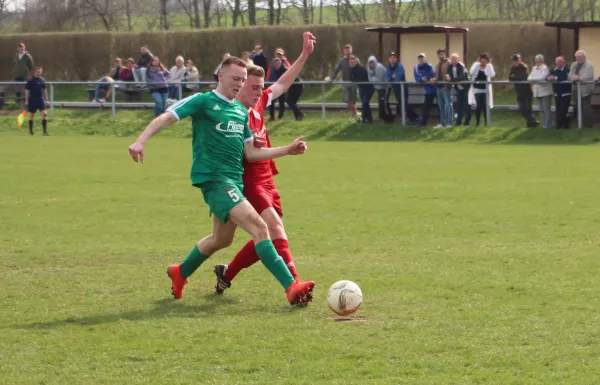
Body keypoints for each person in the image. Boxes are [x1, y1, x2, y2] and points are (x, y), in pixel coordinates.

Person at [127, 56, 315, 306]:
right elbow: (168, 116)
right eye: (236, 79)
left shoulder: (240, 111)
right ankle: (291, 287)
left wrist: (286, 150)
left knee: (221, 239)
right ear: (221, 76)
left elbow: (251, 154)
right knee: (260, 228)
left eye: (243, 80)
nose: (239, 84)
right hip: (215, 180)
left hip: (234, 182)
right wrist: (141, 140)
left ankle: (180, 272)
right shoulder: (204, 101)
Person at [212, 32, 317, 302]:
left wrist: (304, 55)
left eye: (261, 87)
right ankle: (294, 284)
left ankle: (226, 274)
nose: (261, 91)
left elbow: (283, 83)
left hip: (268, 178)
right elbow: (242, 152)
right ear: (242, 84)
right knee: (275, 228)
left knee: (266, 234)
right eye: (254, 86)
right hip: (250, 181)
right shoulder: (234, 111)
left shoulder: (258, 101)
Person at [328, 44, 359, 122]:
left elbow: (360, 69)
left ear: (351, 51)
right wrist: (331, 79)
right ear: (344, 52)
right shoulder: (342, 61)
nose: (348, 52)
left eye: (349, 50)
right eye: (346, 51)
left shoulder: (355, 59)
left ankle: (354, 116)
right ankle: (355, 111)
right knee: (348, 100)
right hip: (345, 83)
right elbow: (337, 71)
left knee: (354, 100)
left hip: (354, 83)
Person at [386, 52, 418, 124]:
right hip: (395, 88)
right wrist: (392, 77)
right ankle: (412, 118)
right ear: (389, 59)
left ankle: (414, 118)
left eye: (394, 58)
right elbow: (387, 79)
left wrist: (392, 78)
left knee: (405, 104)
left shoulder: (400, 66)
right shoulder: (388, 67)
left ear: (396, 59)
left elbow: (398, 78)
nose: (392, 59)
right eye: (391, 58)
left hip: (402, 87)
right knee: (401, 103)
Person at [509, 54, 538, 128]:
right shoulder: (512, 68)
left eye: (516, 60)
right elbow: (510, 77)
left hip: (527, 91)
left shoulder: (523, 67)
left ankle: (531, 124)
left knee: (528, 109)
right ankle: (533, 121)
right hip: (519, 91)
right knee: (522, 108)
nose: (515, 62)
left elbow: (522, 77)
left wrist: (514, 77)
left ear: (519, 60)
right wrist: (515, 77)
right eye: (514, 60)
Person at [569, 50, 595, 128]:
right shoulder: (574, 65)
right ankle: (579, 124)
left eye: (581, 57)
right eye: (577, 57)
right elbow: (570, 75)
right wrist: (572, 77)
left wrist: (578, 78)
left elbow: (588, 76)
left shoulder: (589, 65)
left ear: (584, 57)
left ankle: (588, 125)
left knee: (585, 107)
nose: (579, 58)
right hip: (575, 89)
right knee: (577, 107)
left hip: (585, 90)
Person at [469, 53, 495, 127]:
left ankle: (487, 122)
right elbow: (471, 72)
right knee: (478, 106)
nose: (483, 63)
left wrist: (487, 67)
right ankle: (477, 122)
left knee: (485, 105)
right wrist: (478, 66)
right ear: (479, 60)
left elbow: (492, 74)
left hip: (486, 88)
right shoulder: (476, 65)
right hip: (477, 88)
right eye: (482, 61)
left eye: (485, 61)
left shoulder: (489, 66)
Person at [528, 54, 553, 129]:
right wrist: (534, 79)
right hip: (537, 91)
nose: (537, 62)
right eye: (536, 60)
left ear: (542, 61)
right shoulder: (534, 68)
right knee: (541, 109)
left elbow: (542, 78)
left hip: (545, 92)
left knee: (546, 109)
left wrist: (533, 79)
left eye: (539, 60)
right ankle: (543, 125)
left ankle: (548, 125)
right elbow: (529, 77)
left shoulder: (545, 68)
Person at [547, 56, 571, 129]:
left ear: (563, 62)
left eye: (560, 61)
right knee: (558, 109)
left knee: (563, 110)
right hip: (557, 92)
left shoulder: (566, 69)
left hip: (566, 92)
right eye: (557, 62)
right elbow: (548, 76)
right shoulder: (553, 69)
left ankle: (561, 126)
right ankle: (563, 126)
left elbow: (564, 77)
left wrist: (555, 78)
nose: (558, 63)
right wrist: (549, 78)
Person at [447, 53, 471, 126]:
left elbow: (461, 77)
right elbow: (448, 74)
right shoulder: (450, 66)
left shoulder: (461, 66)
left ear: (458, 60)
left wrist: (452, 80)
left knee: (466, 105)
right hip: (458, 88)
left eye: (455, 59)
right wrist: (447, 76)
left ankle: (467, 121)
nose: (453, 61)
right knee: (459, 105)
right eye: (452, 59)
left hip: (465, 87)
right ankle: (458, 122)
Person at [367, 55, 392, 123]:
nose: (371, 64)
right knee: (381, 102)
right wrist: (374, 79)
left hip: (385, 87)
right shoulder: (369, 68)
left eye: (373, 63)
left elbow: (379, 80)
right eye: (370, 63)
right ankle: (382, 117)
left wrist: (373, 79)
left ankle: (389, 118)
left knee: (384, 102)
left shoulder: (379, 67)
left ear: (375, 62)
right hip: (378, 88)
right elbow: (369, 79)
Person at [24, 66, 48, 136]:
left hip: (40, 100)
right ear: (35, 72)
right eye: (38, 72)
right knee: (32, 115)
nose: (39, 73)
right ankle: (31, 132)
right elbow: (26, 89)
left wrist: (46, 98)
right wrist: (26, 100)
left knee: (45, 114)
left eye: (40, 72)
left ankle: (45, 132)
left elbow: (44, 89)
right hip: (32, 100)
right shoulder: (30, 80)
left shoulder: (42, 80)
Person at [414, 53, 436, 127]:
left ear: (425, 59)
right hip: (428, 90)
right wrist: (422, 79)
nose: (421, 59)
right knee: (426, 107)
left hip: (436, 88)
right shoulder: (416, 67)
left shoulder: (429, 66)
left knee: (441, 106)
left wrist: (425, 78)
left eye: (422, 58)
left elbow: (430, 74)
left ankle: (446, 122)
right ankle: (423, 123)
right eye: (420, 58)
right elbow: (417, 77)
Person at [432, 48, 452, 129]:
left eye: (443, 54)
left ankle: (449, 123)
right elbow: (436, 75)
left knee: (448, 105)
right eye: (440, 54)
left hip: (446, 87)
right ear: (438, 55)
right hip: (438, 87)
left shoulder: (449, 63)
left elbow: (451, 74)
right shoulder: (437, 65)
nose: (441, 55)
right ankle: (442, 123)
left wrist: (449, 77)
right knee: (441, 106)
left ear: (445, 54)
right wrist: (433, 79)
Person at [350, 56, 373, 123]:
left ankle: (363, 118)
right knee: (365, 103)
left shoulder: (361, 68)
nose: (352, 63)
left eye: (353, 62)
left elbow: (361, 79)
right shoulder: (350, 69)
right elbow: (352, 79)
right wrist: (355, 80)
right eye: (351, 62)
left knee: (365, 102)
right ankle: (369, 118)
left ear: (356, 62)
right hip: (361, 88)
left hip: (368, 88)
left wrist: (355, 80)